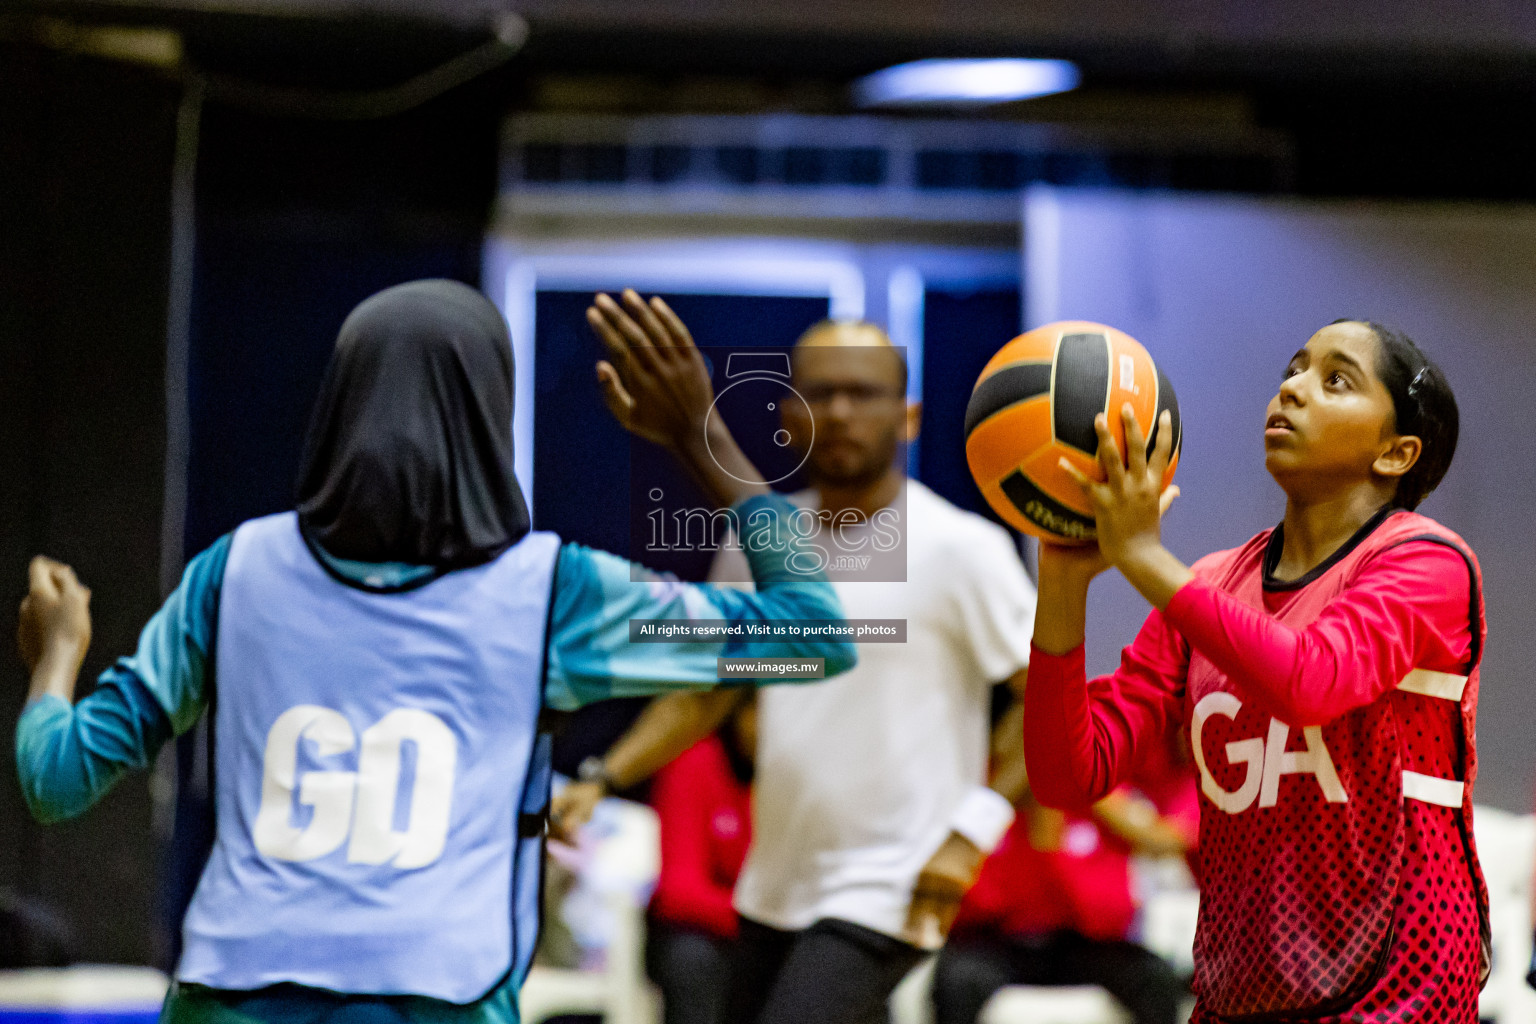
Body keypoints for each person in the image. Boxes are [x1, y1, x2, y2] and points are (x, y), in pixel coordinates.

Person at [13, 281, 855, 1024]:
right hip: (439, 997)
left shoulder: (234, 574)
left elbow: (54, 780)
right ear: (490, 419)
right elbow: (814, 635)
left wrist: (57, 655)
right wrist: (697, 435)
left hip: (230, 995)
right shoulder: (554, 593)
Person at [553, 316, 1038, 1024]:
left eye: (863, 393)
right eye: (821, 392)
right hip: (776, 879)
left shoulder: (961, 547)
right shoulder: (759, 541)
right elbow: (708, 696)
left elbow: (1049, 705)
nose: (840, 411)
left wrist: (973, 832)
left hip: (894, 881)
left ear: (907, 417)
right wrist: (603, 777)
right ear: (789, 416)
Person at [1024, 319, 1487, 1021]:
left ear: (1396, 452)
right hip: (1245, 981)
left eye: (1335, 380)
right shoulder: (1213, 583)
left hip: (1400, 976)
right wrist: (1062, 585)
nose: (1294, 388)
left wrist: (1143, 558)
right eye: (1293, 370)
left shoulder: (1429, 561)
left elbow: (1310, 682)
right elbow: (1067, 776)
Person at [931, 733, 1197, 1024]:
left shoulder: (1102, 804)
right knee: (955, 980)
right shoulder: (987, 803)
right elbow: (967, 909)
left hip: (1079, 945)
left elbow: (1114, 912)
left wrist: (1057, 844)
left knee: (1154, 978)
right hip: (997, 945)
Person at [643, 701, 756, 1024]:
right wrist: (765, 917)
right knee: (692, 958)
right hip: (703, 935)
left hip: (768, 932)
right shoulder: (695, 761)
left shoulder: (800, 779)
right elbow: (678, 892)